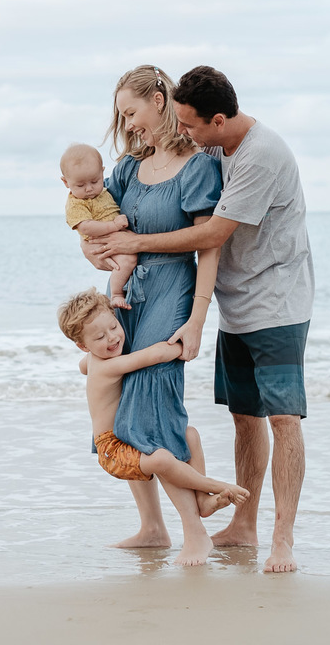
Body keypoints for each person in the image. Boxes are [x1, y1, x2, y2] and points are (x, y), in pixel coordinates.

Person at [92, 65, 315, 574]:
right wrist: (97, 242)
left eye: (190, 124)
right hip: (236, 304)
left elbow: (211, 235)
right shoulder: (211, 145)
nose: (183, 130)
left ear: (216, 120)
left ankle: (282, 540)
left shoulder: (261, 154)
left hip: (278, 303)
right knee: (243, 417)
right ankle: (244, 524)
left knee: (283, 419)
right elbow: (117, 202)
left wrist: (135, 246)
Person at [85, 64, 225, 557]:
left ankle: (195, 532)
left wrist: (197, 319)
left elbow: (209, 246)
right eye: (121, 117)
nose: (126, 125)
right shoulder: (126, 169)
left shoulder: (198, 167)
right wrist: (91, 249)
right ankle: (152, 529)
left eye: (131, 112)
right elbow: (103, 227)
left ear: (159, 101)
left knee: (154, 401)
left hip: (172, 292)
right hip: (125, 296)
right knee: (124, 408)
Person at [57, 289, 249, 565]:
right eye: (99, 338)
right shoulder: (109, 367)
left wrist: (91, 357)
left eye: (113, 326)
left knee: (189, 435)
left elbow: (82, 367)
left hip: (128, 432)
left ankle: (201, 502)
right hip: (112, 449)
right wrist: (183, 347)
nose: (112, 338)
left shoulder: (94, 360)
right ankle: (215, 485)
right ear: (83, 345)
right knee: (161, 457)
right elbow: (156, 354)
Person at [60, 144, 139, 309]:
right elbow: (86, 228)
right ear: (66, 182)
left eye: (95, 181)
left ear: (103, 172)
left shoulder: (103, 191)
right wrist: (114, 225)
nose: (89, 189)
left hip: (115, 237)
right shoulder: (76, 203)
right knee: (127, 260)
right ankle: (116, 293)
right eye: (80, 186)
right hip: (101, 242)